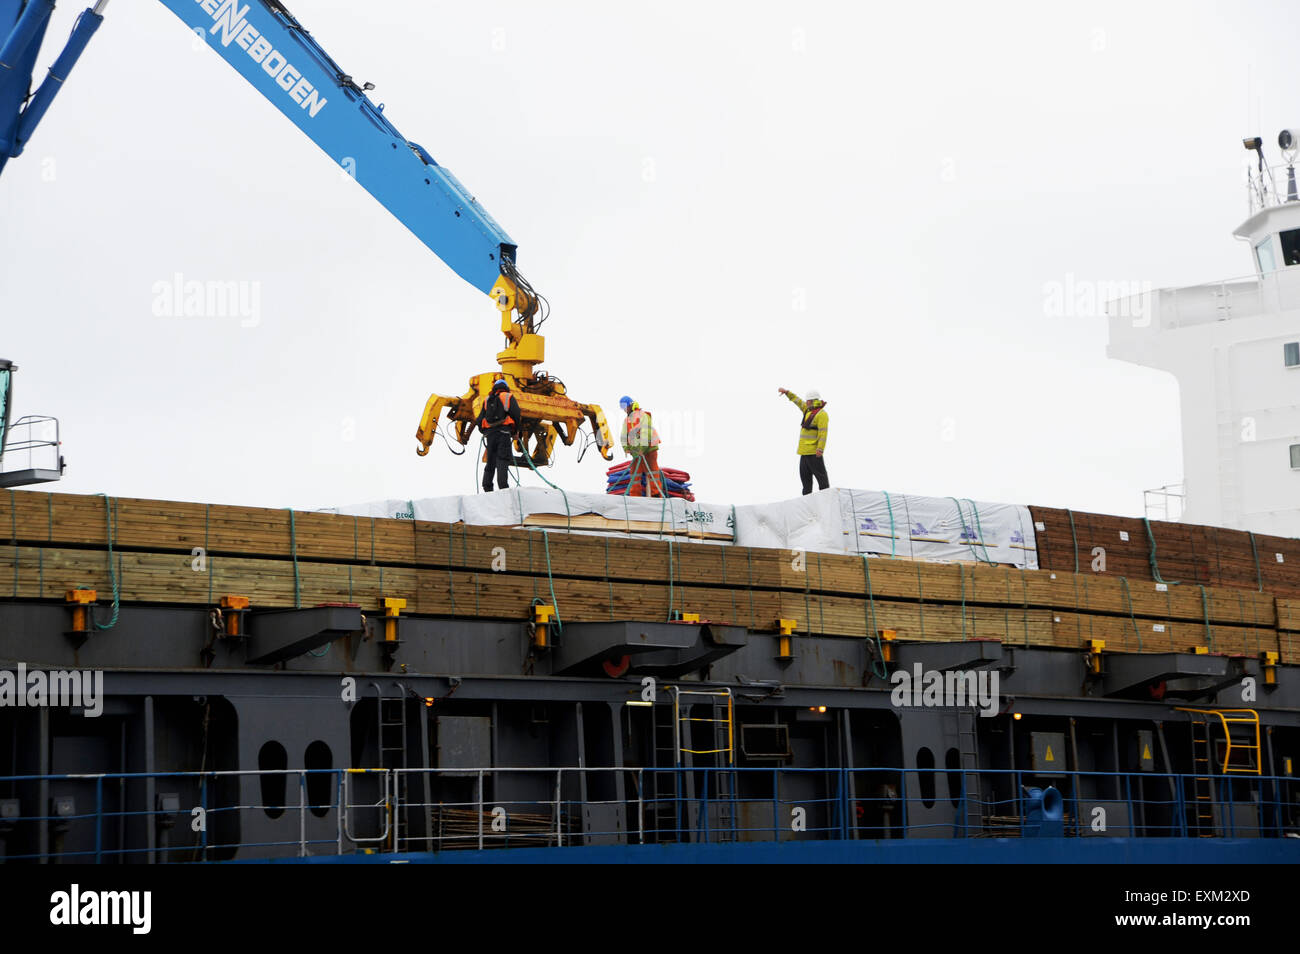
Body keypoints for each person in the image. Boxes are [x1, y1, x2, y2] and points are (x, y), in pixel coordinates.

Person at [778, 387, 829, 495]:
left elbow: (823, 433)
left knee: (822, 480)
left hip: (814, 453)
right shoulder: (808, 409)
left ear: (813, 401)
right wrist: (787, 393)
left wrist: (820, 448)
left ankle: (826, 500)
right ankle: (807, 505)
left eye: (808, 401)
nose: (806, 402)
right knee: (805, 482)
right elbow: (798, 401)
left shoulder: (822, 414)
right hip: (804, 453)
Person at [478, 378, 521, 492]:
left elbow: (479, 419)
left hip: (490, 435)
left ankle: (487, 486)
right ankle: (503, 488)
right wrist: (516, 432)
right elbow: (516, 414)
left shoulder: (487, 400)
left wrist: (485, 432)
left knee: (491, 460)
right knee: (502, 459)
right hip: (504, 433)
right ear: (506, 388)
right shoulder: (508, 397)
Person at [619, 395, 664, 497]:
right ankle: (635, 496)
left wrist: (641, 449)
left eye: (625, 406)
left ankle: (656, 494)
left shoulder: (643, 415)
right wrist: (626, 448)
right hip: (636, 452)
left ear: (631, 405)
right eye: (622, 408)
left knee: (652, 471)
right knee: (635, 473)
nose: (624, 410)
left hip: (649, 448)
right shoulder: (626, 420)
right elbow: (623, 436)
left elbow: (645, 433)